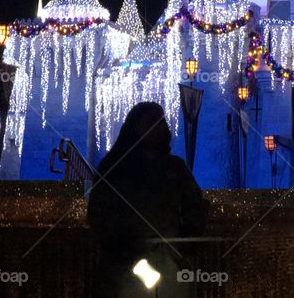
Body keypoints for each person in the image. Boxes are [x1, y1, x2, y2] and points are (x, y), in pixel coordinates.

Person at [88, 102, 209, 296]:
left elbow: (194, 206)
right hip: (125, 266)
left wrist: (185, 244)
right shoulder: (116, 168)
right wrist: (127, 248)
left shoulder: (174, 168)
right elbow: (100, 214)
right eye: (151, 122)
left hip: (167, 261)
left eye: (160, 122)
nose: (158, 128)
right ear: (136, 127)